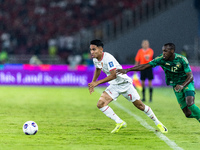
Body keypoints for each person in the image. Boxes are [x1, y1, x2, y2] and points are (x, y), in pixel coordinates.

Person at [88, 39, 168, 133]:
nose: (92, 52)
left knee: (140, 106)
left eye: (94, 49)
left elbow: (114, 75)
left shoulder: (108, 58)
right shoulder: (95, 59)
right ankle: (119, 122)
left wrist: (97, 83)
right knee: (100, 104)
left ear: (101, 49)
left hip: (124, 84)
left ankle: (158, 123)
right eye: (91, 50)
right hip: (114, 85)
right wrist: (93, 82)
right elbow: (98, 69)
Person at [117, 43, 200, 123]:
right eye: (163, 51)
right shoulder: (161, 59)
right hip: (176, 86)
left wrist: (182, 85)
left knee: (190, 104)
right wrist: (128, 70)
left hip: (186, 83)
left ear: (172, 51)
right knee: (188, 114)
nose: (163, 53)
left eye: (165, 51)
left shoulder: (182, 59)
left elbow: (190, 76)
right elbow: (145, 66)